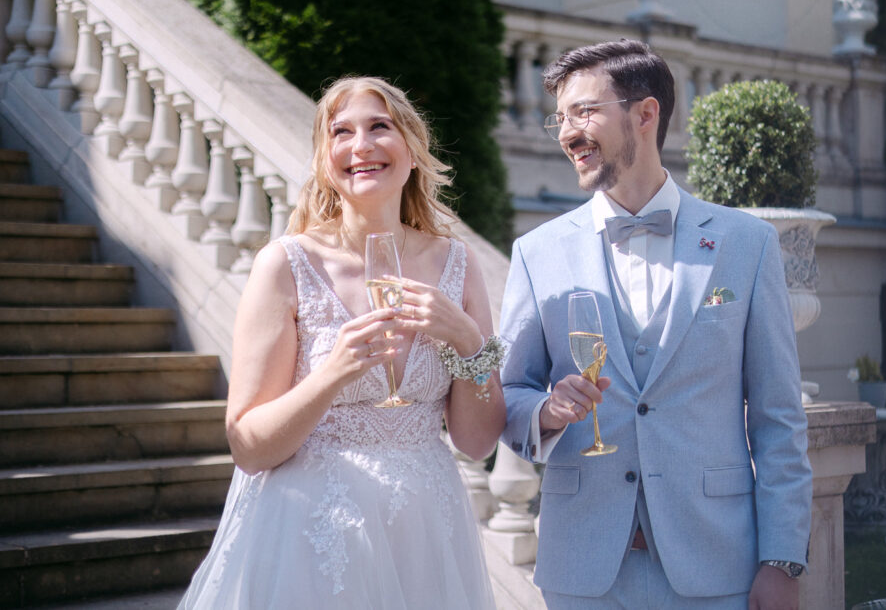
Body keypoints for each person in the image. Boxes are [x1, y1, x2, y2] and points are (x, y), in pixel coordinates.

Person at [499, 40, 812, 609]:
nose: (568, 133)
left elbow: (778, 419)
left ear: (645, 114)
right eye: (560, 118)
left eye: (585, 112)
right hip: (583, 570)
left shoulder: (747, 246)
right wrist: (545, 411)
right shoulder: (536, 253)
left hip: (718, 566)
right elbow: (508, 393)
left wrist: (782, 559)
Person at [178, 76, 504, 609]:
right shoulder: (285, 265)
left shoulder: (458, 266)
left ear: (413, 149)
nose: (362, 146)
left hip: (426, 529)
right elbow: (248, 445)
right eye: (341, 132)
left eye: (380, 127)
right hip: (311, 532)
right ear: (324, 158)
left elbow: (477, 442)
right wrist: (332, 373)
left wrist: (467, 340)